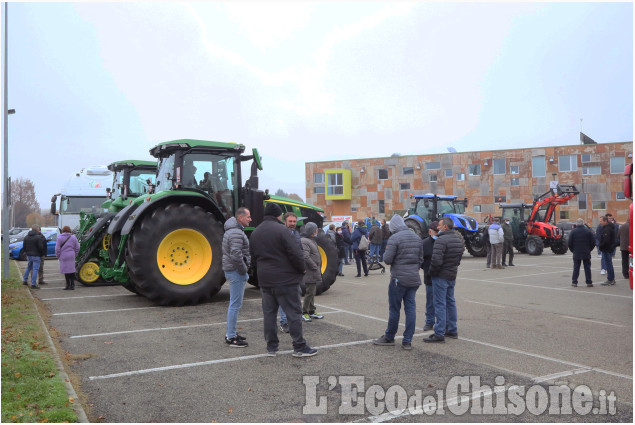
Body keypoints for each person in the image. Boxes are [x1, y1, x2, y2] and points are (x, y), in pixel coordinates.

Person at [249, 203, 317, 357]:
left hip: (265, 280)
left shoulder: (256, 232)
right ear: (278, 215)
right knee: (293, 313)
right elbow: (295, 253)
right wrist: (301, 269)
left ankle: (271, 347)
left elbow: (252, 256)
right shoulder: (283, 230)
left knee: (269, 314)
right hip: (285, 279)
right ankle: (299, 346)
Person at [373, 215, 423, 350]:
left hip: (398, 279)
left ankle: (389, 336)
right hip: (413, 278)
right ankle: (407, 341)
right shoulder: (417, 238)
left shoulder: (394, 238)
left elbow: (387, 259)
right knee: (411, 309)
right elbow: (420, 259)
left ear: (393, 226)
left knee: (395, 309)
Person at [424, 217, 464, 343]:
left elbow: (436, 261)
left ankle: (439, 332)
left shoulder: (441, 241)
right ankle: (452, 329)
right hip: (451, 275)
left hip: (440, 276)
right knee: (450, 302)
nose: (438, 228)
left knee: (440, 304)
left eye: (440, 226)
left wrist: (431, 273)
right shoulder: (458, 240)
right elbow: (458, 260)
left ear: (445, 227)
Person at [222, 207, 252, 347]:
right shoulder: (235, 233)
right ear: (240, 218)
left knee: (235, 304)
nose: (250, 219)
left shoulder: (233, 230)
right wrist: (243, 270)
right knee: (235, 305)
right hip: (236, 271)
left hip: (233, 270)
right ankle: (231, 337)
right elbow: (236, 254)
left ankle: (232, 333)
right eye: (248, 216)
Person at [278, 212, 302, 334]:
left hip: (295, 272)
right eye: (290, 221)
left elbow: (300, 252)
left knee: (295, 297)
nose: (292, 224)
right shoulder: (280, 234)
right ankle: (284, 322)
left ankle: (294, 320)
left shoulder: (297, 234)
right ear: (285, 221)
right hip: (283, 271)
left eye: (294, 221)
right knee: (284, 298)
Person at [300, 222, 324, 322]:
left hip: (313, 270)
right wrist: (314, 266)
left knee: (312, 291)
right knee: (310, 292)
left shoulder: (311, 240)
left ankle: (312, 311)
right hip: (310, 271)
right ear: (313, 231)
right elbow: (305, 256)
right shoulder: (305, 241)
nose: (317, 231)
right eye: (316, 229)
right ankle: (304, 312)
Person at [421, 221, 439, 332]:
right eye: (435, 232)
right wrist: (427, 269)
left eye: (438, 231)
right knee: (430, 302)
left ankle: (442, 322)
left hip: (441, 276)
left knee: (441, 301)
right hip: (429, 277)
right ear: (429, 231)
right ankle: (429, 321)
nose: (437, 234)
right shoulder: (424, 244)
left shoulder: (442, 242)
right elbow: (420, 260)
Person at [567, 218, 595, 287]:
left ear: (576, 224)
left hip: (576, 252)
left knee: (576, 268)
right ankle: (589, 282)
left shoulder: (573, 232)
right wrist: (589, 249)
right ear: (583, 223)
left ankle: (574, 282)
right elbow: (593, 242)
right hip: (586, 252)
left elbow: (569, 243)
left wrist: (573, 250)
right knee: (587, 268)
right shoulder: (588, 231)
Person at [55, 226, 80, 290]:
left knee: (66, 271)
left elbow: (57, 248)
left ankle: (68, 285)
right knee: (72, 270)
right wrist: (75, 254)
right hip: (71, 255)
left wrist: (58, 256)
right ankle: (72, 285)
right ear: (69, 230)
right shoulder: (73, 237)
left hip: (63, 255)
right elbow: (77, 247)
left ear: (63, 230)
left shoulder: (59, 238)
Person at [598, 215, 617, 286]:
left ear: (605, 221)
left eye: (601, 221)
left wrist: (600, 246)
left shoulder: (607, 229)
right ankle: (611, 279)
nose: (600, 223)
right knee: (609, 264)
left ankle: (610, 279)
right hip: (609, 248)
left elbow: (606, 241)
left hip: (607, 249)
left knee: (608, 264)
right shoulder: (608, 228)